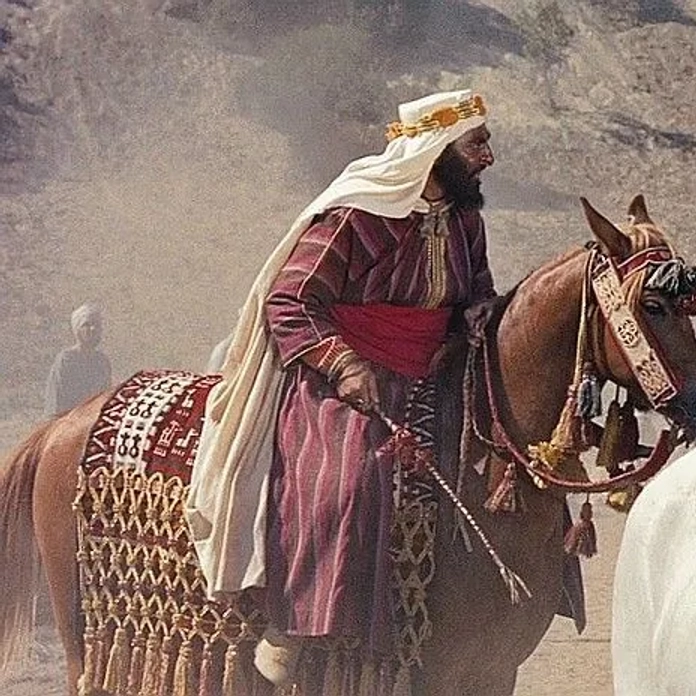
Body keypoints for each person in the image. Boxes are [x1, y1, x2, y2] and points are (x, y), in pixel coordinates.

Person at [185, 90, 495, 684]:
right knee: (350, 476)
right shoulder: (357, 215)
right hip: (344, 375)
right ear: (437, 153)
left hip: (436, 369)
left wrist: (480, 314)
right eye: (476, 143)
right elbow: (290, 300)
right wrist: (347, 366)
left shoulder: (465, 221)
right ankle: (291, 633)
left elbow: (475, 290)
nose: (488, 155)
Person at [44, 303, 111, 415]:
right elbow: (57, 401)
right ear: (77, 330)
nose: (93, 329)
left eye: (96, 325)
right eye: (86, 325)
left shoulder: (102, 361)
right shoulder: (67, 359)